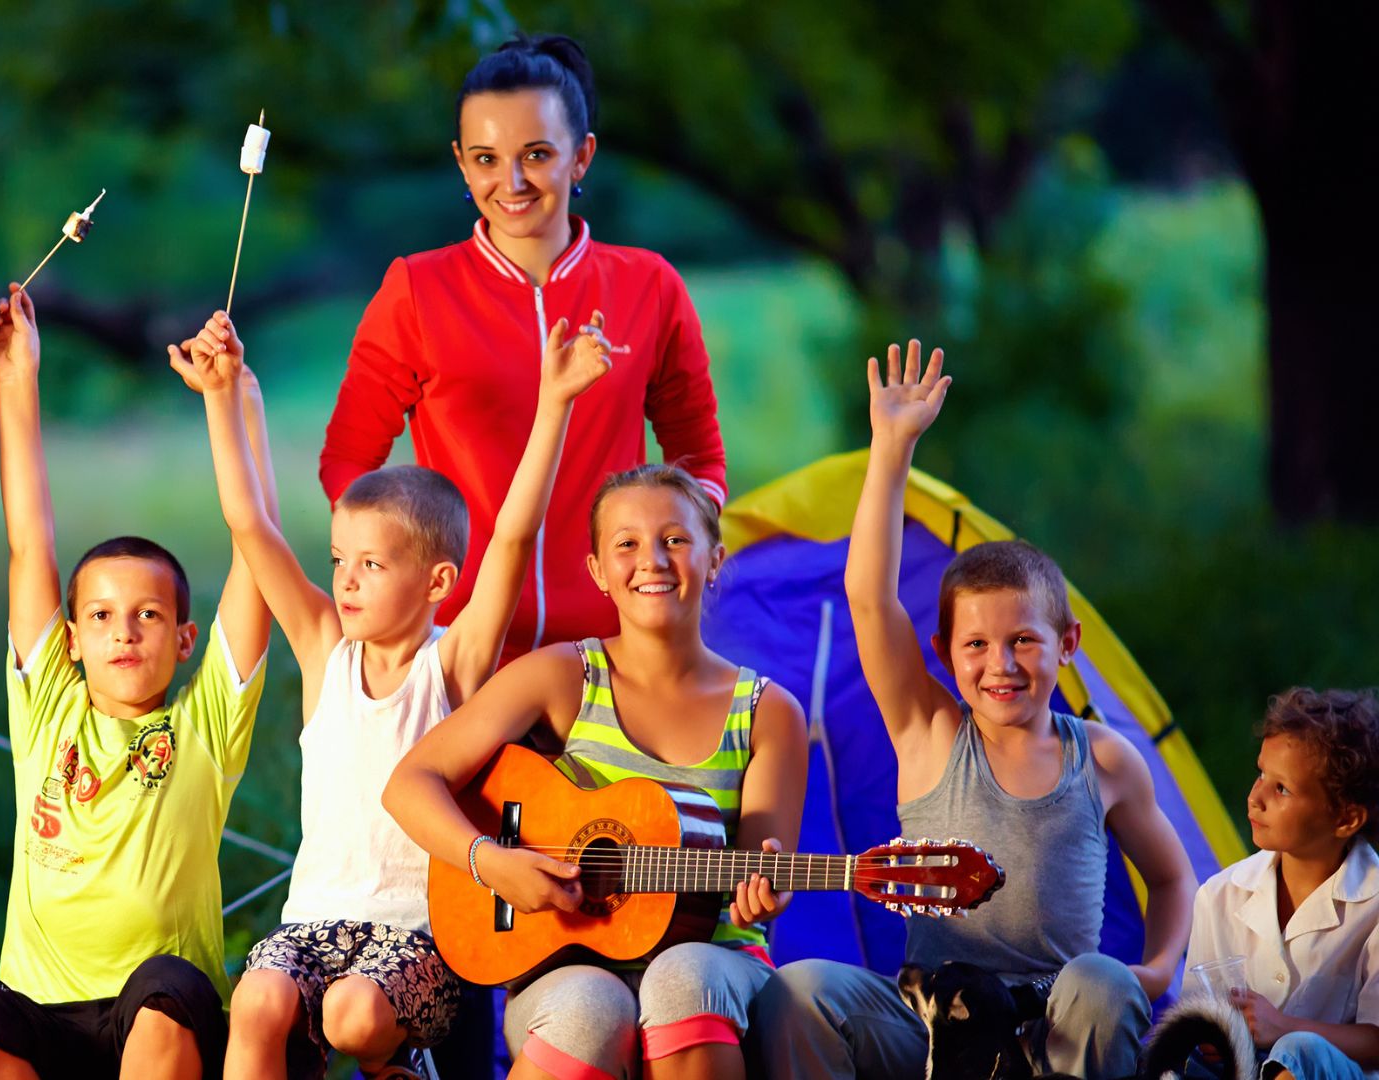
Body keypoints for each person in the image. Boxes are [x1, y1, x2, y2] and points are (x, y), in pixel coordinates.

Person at [179, 308, 608, 1078]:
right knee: (255, 1003)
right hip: (313, 924)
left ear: (438, 582)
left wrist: (555, 402)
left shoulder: (455, 668)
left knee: (352, 1014)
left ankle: (390, 1063)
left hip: (422, 936)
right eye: (341, 558)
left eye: (372, 566)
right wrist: (219, 398)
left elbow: (513, 535)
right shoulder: (324, 650)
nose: (345, 579)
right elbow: (250, 525)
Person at [752, 341, 1198, 1080]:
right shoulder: (929, 732)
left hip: (1058, 1017)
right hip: (932, 1019)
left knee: (1103, 980)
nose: (1002, 664)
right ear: (944, 650)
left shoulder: (1105, 757)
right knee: (798, 993)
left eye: (1025, 641)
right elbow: (868, 600)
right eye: (978, 645)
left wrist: (1153, 972)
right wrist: (891, 448)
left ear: (1067, 645)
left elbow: (1175, 877)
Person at [0, 286, 272, 1080]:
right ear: (71, 637)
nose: (124, 630)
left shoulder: (207, 720)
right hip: (42, 1018)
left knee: (167, 988)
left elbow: (257, 555)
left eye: (149, 615)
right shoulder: (47, 703)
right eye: (103, 616)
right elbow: (28, 544)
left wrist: (234, 407)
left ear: (186, 640)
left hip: (150, 1023)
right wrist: (17, 382)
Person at [383, 464, 808, 1080]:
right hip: (565, 956)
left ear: (715, 559)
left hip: (713, 959)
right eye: (626, 544)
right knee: (589, 1006)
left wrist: (759, 899)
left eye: (676, 540)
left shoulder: (768, 713)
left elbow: (756, 893)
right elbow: (410, 783)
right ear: (598, 571)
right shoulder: (561, 676)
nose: (652, 561)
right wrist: (492, 862)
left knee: (683, 976)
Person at [320, 32, 726, 662]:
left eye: (536, 154)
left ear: (581, 155)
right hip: (458, 647)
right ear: (460, 161)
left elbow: (698, 453)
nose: (510, 181)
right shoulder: (416, 289)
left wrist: (668, 557)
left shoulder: (650, 286)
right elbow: (348, 461)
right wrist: (390, 574)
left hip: (614, 646)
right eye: (485, 158)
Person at [1182, 687, 1379, 1079]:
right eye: (1261, 774)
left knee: (1298, 1050)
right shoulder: (1219, 896)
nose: (1255, 797)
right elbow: (1196, 1023)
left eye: (1282, 789)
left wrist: (1284, 1028)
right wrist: (1212, 1038)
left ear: (1346, 819)